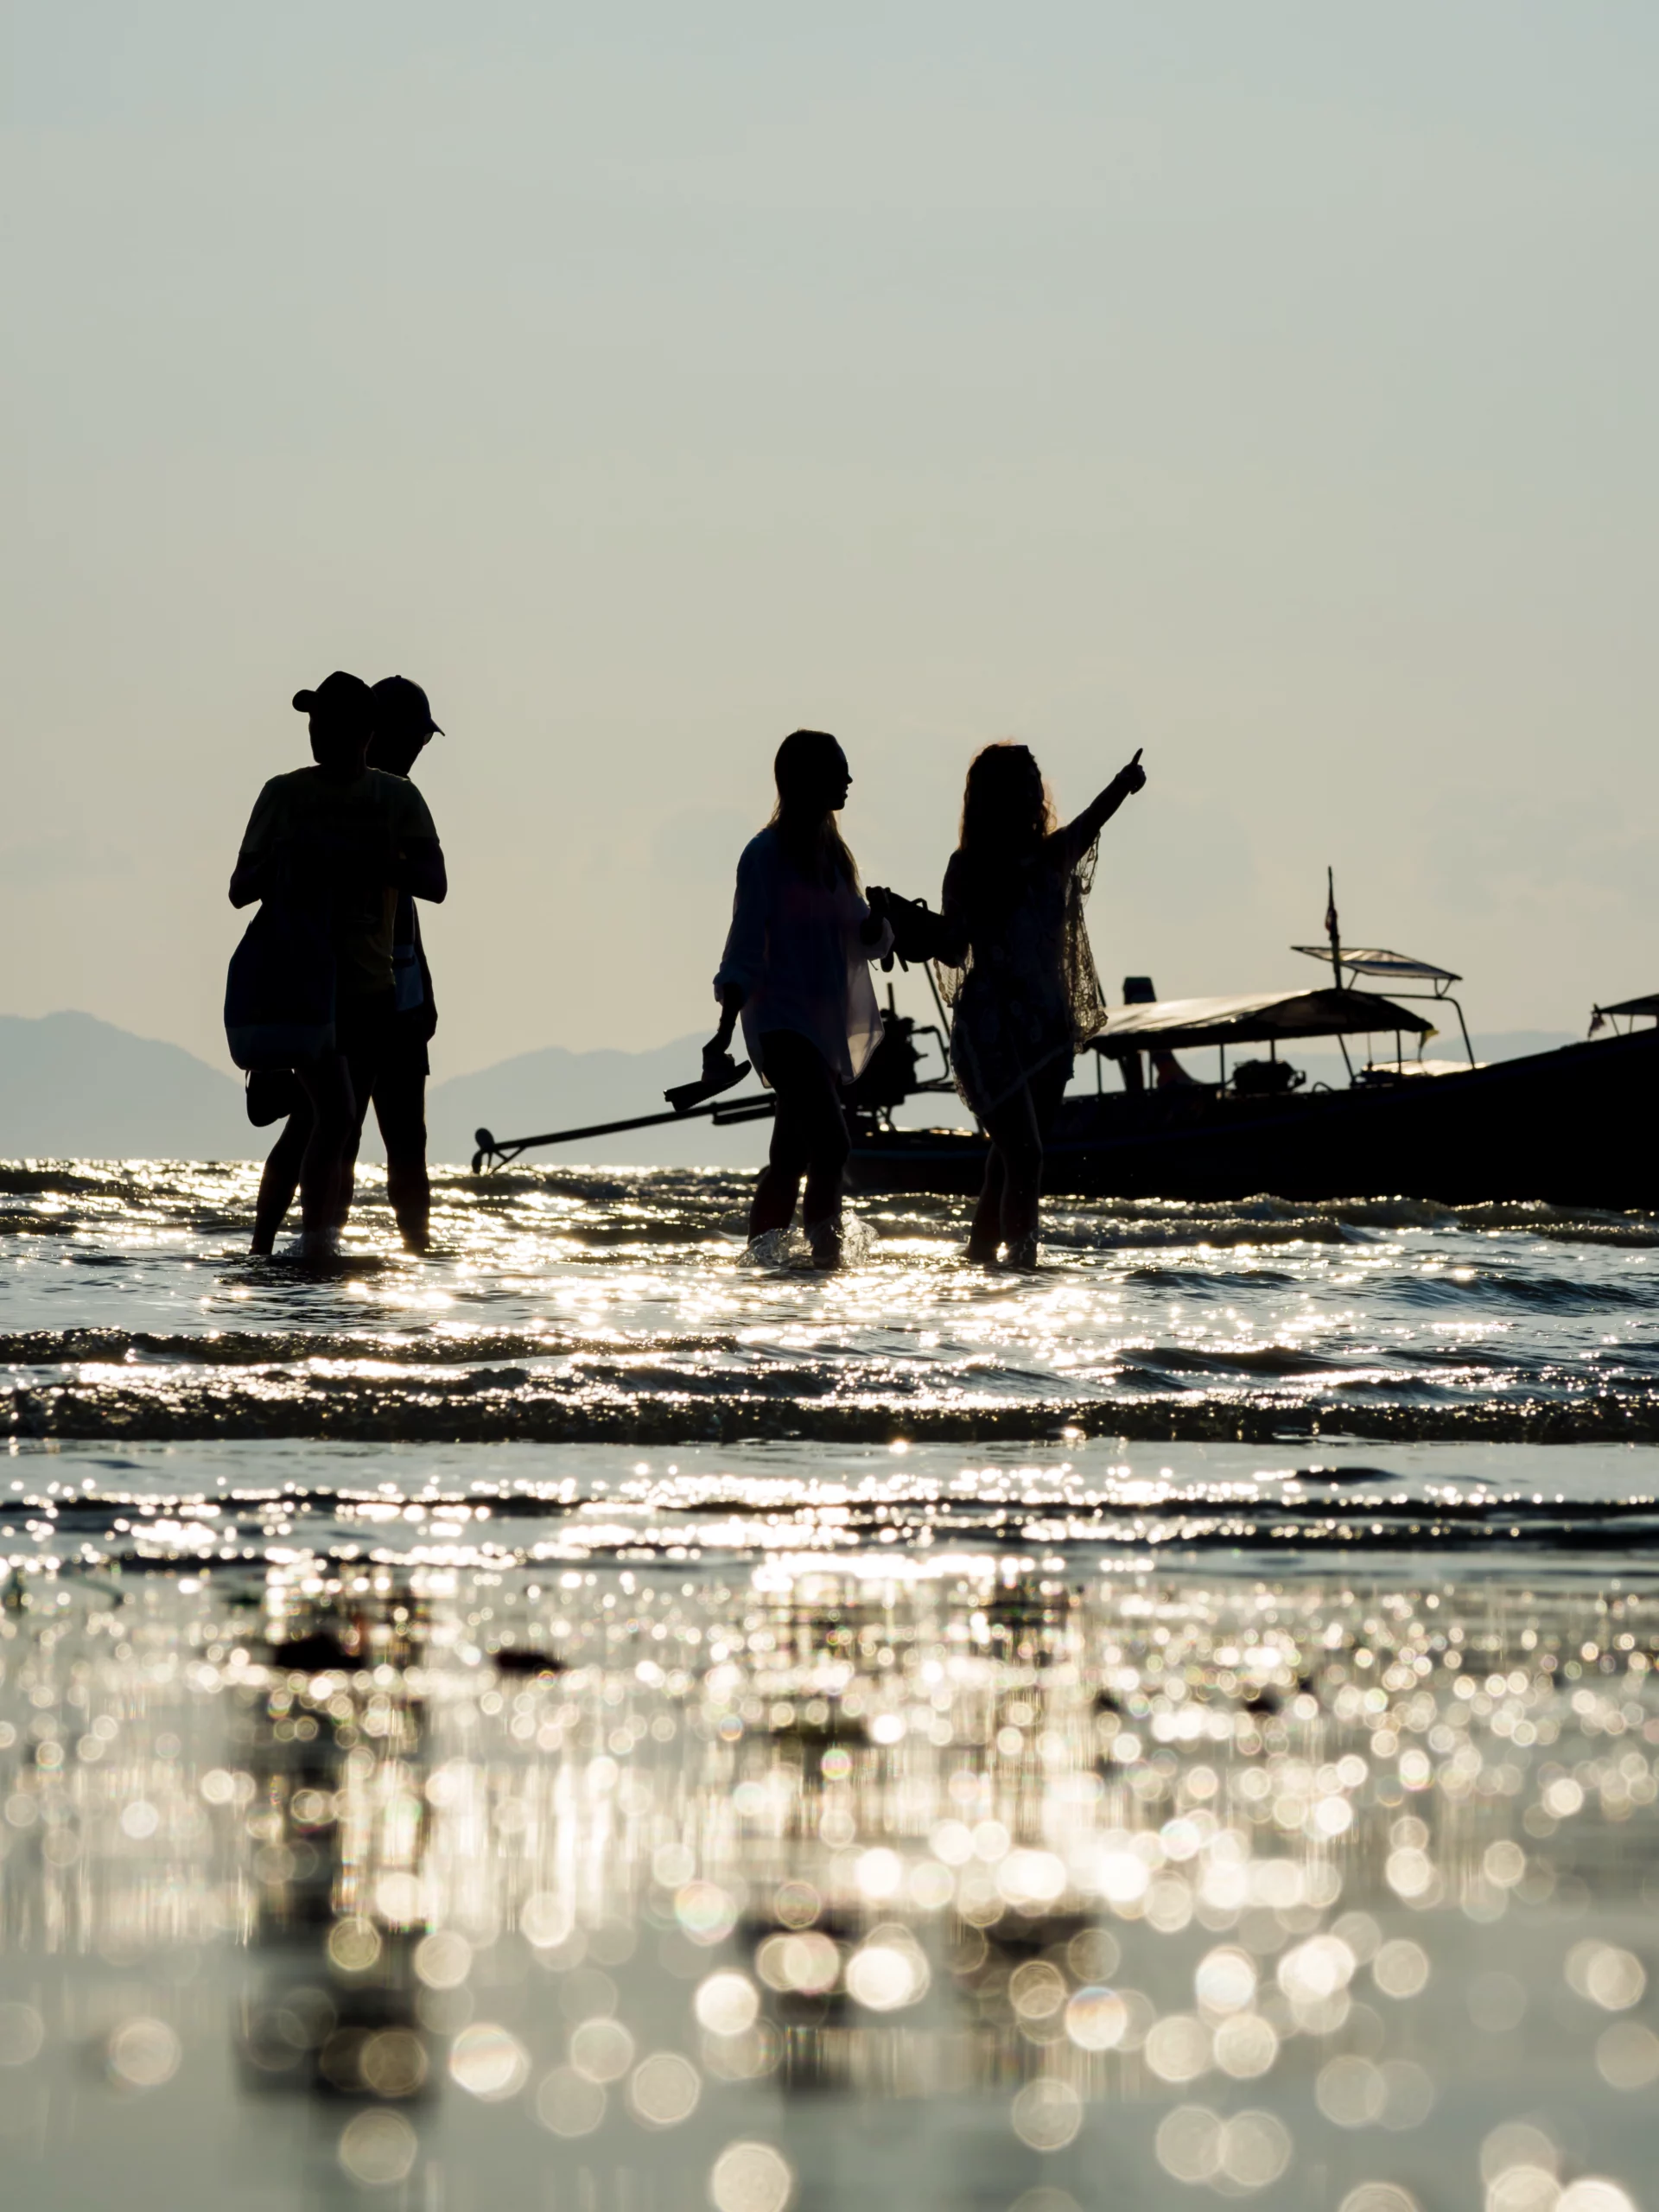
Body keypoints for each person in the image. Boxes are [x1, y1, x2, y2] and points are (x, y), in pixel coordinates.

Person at [232, 672, 447, 1259]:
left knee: (396, 1136)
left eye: (423, 740)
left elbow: (417, 903)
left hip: (390, 991)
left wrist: (423, 990)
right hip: (312, 988)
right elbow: (245, 885)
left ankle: (404, 1251)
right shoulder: (300, 795)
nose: (417, 750)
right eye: (412, 738)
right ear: (374, 733)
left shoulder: (396, 801)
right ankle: (289, 1249)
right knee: (325, 1124)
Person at [932, 740, 1145, 1267]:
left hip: (1048, 1031)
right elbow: (954, 948)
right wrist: (913, 929)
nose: (1033, 790)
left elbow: (1093, 820)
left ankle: (982, 1264)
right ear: (994, 796)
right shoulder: (968, 867)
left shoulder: (1053, 854)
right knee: (1024, 1155)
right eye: (1020, 781)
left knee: (1008, 1162)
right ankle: (1024, 1271)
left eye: (1035, 778)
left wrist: (1122, 783)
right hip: (990, 1031)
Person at [706, 729, 893, 1267]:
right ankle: (824, 1263)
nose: (849, 780)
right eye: (839, 769)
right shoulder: (764, 854)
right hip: (781, 1022)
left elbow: (862, 930)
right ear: (804, 778)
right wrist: (723, 1033)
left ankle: (761, 1261)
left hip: (823, 1022)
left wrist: (881, 924)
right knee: (833, 1145)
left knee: (789, 1156)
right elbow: (744, 945)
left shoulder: (833, 856)